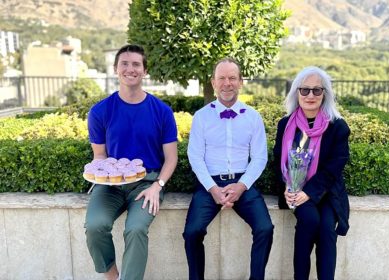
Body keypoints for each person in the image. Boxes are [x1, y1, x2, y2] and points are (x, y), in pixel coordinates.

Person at [85, 44, 178, 280]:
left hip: (146, 184)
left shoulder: (162, 111)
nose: (130, 69)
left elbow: (171, 158)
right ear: (116, 69)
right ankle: (112, 275)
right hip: (110, 186)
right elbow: (99, 156)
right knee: (95, 227)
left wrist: (158, 186)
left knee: (136, 229)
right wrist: (100, 177)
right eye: (124, 64)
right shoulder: (100, 111)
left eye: (136, 64)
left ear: (144, 70)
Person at [183, 58, 274, 280]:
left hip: (243, 183)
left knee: (265, 228)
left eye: (232, 78)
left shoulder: (253, 117)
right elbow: (195, 156)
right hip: (210, 184)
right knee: (192, 232)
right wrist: (213, 189)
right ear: (213, 82)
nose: (227, 83)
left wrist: (242, 186)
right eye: (222, 78)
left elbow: (260, 157)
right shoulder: (201, 117)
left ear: (241, 82)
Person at [273, 66, 350, 280]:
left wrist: (309, 191)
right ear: (296, 92)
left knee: (326, 229)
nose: (310, 95)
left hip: (325, 192)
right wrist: (287, 187)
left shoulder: (337, 127)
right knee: (309, 221)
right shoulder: (285, 125)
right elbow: (278, 159)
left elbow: (337, 164)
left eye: (317, 90)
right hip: (295, 191)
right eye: (305, 90)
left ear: (325, 93)